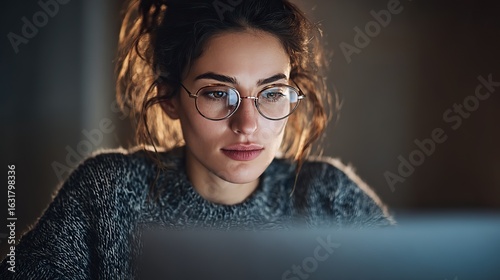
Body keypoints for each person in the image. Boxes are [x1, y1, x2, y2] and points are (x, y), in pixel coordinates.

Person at [0, 0, 394, 278]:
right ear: (171, 98)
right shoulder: (107, 192)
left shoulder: (330, 198)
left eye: (272, 93)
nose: (247, 124)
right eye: (218, 93)